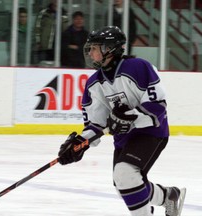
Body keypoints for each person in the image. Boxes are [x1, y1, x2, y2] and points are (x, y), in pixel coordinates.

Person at [57, 26, 186, 216]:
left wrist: (130, 116)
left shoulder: (138, 67)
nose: (90, 53)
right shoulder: (94, 83)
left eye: (94, 48)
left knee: (126, 175)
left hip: (151, 131)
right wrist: (81, 143)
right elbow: (96, 123)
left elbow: (158, 105)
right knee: (123, 186)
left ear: (109, 48)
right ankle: (170, 196)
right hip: (124, 138)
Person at [33, 0, 68, 65]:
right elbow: (37, 28)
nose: (56, 1)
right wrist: (38, 42)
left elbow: (66, 30)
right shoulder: (43, 13)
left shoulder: (64, 13)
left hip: (58, 48)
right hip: (45, 47)